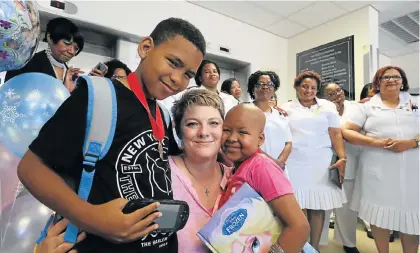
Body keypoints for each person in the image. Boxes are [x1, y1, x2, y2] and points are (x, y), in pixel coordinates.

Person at [17, 17, 206, 253]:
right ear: (146, 48)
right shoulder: (97, 97)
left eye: (188, 74)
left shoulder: (163, 115)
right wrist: (95, 219)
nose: (178, 78)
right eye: (173, 62)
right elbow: (30, 168)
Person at [342, 66, 419, 253]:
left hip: (412, 170)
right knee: (379, 215)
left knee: (412, 216)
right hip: (378, 171)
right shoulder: (365, 106)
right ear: (378, 82)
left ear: (403, 82)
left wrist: (412, 142)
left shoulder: (416, 103)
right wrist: (374, 142)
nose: (391, 79)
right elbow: (346, 131)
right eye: (386, 77)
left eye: (396, 76)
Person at [218, 103, 310, 253]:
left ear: (260, 139)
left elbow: (299, 227)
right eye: (226, 130)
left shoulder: (261, 166)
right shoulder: (238, 167)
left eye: (243, 132)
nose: (232, 138)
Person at [280, 71, 347, 251]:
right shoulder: (286, 108)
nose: (308, 91)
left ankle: (314, 247)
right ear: (296, 87)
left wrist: (342, 157)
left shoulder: (327, 107)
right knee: (298, 207)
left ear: (317, 90)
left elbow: (335, 133)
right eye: (304, 86)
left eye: (313, 88)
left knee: (317, 207)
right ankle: (300, 246)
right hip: (295, 163)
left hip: (321, 162)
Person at [169, 89, 233, 252]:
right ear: (178, 130)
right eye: (192, 124)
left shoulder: (236, 178)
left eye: (213, 123)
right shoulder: (160, 174)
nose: (204, 133)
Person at [320, 83, 361, 253]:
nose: (337, 94)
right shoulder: (321, 110)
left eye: (338, 90)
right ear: (324, 97)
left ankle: (348, 242)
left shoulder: (355, 108)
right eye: (331, 93)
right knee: (323, 206)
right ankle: (317, 242)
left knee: (348, 207)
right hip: (326, 162)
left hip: (350, 160)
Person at [5, 17, 87, 92]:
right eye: (67, 43)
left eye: (76, 48)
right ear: (50, 38)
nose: (72, 52)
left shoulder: (73, 76)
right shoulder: (25, 64)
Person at [247, 70, 292, 172]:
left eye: (269, 84)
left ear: (274, 89)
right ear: (253, 88)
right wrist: (272, 163)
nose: (265, 87)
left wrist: (280, 162)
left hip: (279, 169)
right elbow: (245, 142)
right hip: (254, 167)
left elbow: (288, 143)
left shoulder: (281, 115)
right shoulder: (245, 111)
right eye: (260, 84)